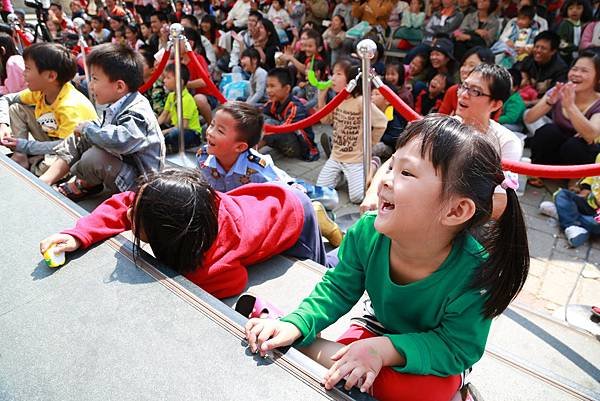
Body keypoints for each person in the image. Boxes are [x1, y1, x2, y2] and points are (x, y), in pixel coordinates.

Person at [245, 116, 530, 401]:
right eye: (392, 166)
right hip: (375, 328)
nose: (385, 181)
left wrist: (384, 350)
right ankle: (286, 330)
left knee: (422, 392)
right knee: (349, 371)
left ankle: (289, 334)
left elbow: (456, 348)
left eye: (407, 173)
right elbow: (338, 288)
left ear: (456, 211)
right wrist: (300, 321)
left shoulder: (475, 274)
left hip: (432, 352)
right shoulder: (367, 232)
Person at [39, 168, 329, 299]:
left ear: (167, 233)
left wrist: (184, 281)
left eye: (135, 217)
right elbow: (123, 204)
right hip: (256, 200)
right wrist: (79, 235)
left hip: (291, 215)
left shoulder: (209, 264)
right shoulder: (187, 207)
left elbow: (235, 281)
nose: (127, 215)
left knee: (320, 271)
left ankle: (329, 232)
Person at [363, 64, 522, 220]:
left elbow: (500, 203)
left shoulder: (506, 142)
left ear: (495, 104)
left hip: (468, 218)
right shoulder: (441, 127)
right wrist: (371, 194)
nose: (463, 94)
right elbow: (395, 161)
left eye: (475, 91)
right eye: (464, 86)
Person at [197, 101, 343, 246]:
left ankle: (320, 215)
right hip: (248, 205)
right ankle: (321, 214)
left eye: (220, 131)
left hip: (288, 188)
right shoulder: (203, 157)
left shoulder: (257, 169)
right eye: (212, 125)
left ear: (240, 147)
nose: (210, 132)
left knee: (330, 198)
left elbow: (284, 193)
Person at [35, 43, 165, 199]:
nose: (90, 86)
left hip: (142, 184)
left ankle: (84, 183)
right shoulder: (117, 103)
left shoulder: (137, 111)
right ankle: (48, 178)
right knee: (79, 136)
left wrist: (87, 131)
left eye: (95, 79)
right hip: (123, 164)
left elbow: (121, 141)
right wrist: (85, 130)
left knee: (94, 157)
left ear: (119, 86)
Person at [0, 43, 97, 174]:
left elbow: (67, 147)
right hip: (50, 137)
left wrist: (24, 145)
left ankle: (36, 163)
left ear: (51, 76)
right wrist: (3, 124)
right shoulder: (40, 91)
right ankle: (21, 156)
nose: (23, 73)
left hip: (72, 151)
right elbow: (6, 99)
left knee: (47, 167)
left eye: (28, 69)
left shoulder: (70, 106)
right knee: (17, 108)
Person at [316, 58, 387, 204]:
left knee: (357, 197)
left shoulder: (360, 101)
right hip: (336, 156)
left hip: (355, 159)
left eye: (338, 74)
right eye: (332, 73)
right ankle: (341, 175)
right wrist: (321, 96)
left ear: (351, 80)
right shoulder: (338, 99)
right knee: (320, 192)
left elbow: (381, 122)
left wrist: (369, 145)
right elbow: (325, 120)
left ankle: (373, 163)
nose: (332, 78)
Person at [523, 50, 600, 169]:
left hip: (582, 158)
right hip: (557, 150)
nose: (576, 74)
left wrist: (570, 106)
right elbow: (529, 118)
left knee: (575, 145)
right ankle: (540, 170)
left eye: (584, 71)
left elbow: (591, 135)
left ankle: (575, 181)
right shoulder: (559, 90)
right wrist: (549, 102)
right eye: (574, 69)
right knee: (547, 131)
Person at [260, 68, 320, 161]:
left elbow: (282, 129)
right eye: (267, 86)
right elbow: (259, 113)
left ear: (287, 88)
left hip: (300, 147)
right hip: (286, 137)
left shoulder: (295, 107)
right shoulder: (274, 102)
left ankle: (249, 154)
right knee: (260, 120)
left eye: (272, 86)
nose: (268, 90)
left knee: (268, 128)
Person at [539, 159, 600, 247]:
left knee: (595, 225)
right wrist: (585, 189)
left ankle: (564, 215)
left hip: (596, 216)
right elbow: (592, 175)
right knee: (562, 194)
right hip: (589, 203)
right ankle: (572, 224)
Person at [158, 64, 203, 153]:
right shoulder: (171, 96)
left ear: (180, 82)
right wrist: (153, 127)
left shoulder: (187, 99)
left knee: (174, 134)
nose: (164, 80)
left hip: (190, 132)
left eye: (168, 78)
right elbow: (163, 116)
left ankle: (173, 147)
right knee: (160, 129)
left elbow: (184, 126)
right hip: (175, 127)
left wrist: (164, 132)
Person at [439, 46, 494, 116]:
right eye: (463, 64)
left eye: (471, 65)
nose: (464, 70)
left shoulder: (491, 97)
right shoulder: (453, 91)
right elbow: (440, 118)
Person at [517, 31, 568, 100]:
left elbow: (553, 98)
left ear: (553, 51)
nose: (538, 50)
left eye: (543, 48)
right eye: (536, 47)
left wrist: (526, 104)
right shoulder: (529, 59)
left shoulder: (561, 69)